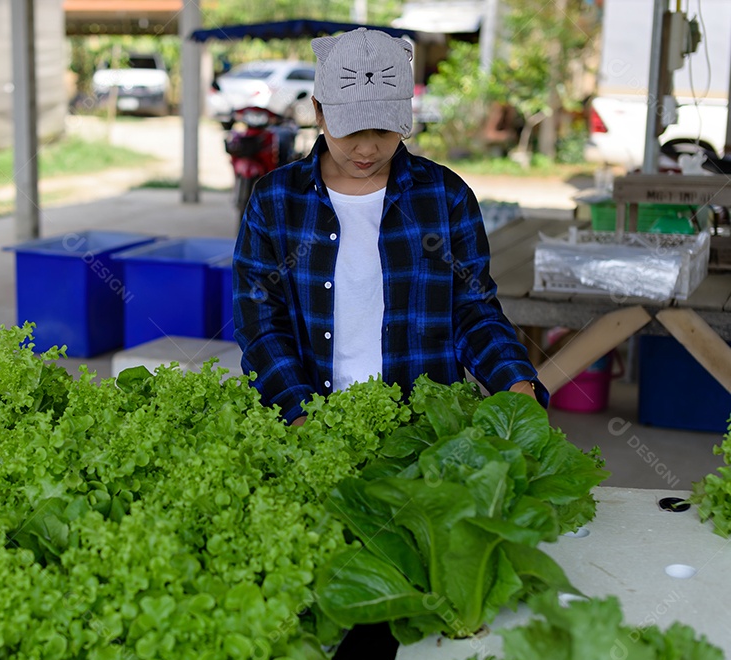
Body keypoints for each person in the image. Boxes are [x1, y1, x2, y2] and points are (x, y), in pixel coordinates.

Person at [232, 28, 547, 426]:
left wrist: (517, 384)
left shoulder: (445, 196)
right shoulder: (275, 201)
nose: (367, 149)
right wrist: (301, 415)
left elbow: (473, 311)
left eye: (382, 131)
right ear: (319, 111)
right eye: (350, 131)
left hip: (422, 432)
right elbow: (259, 322)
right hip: (311, 427)